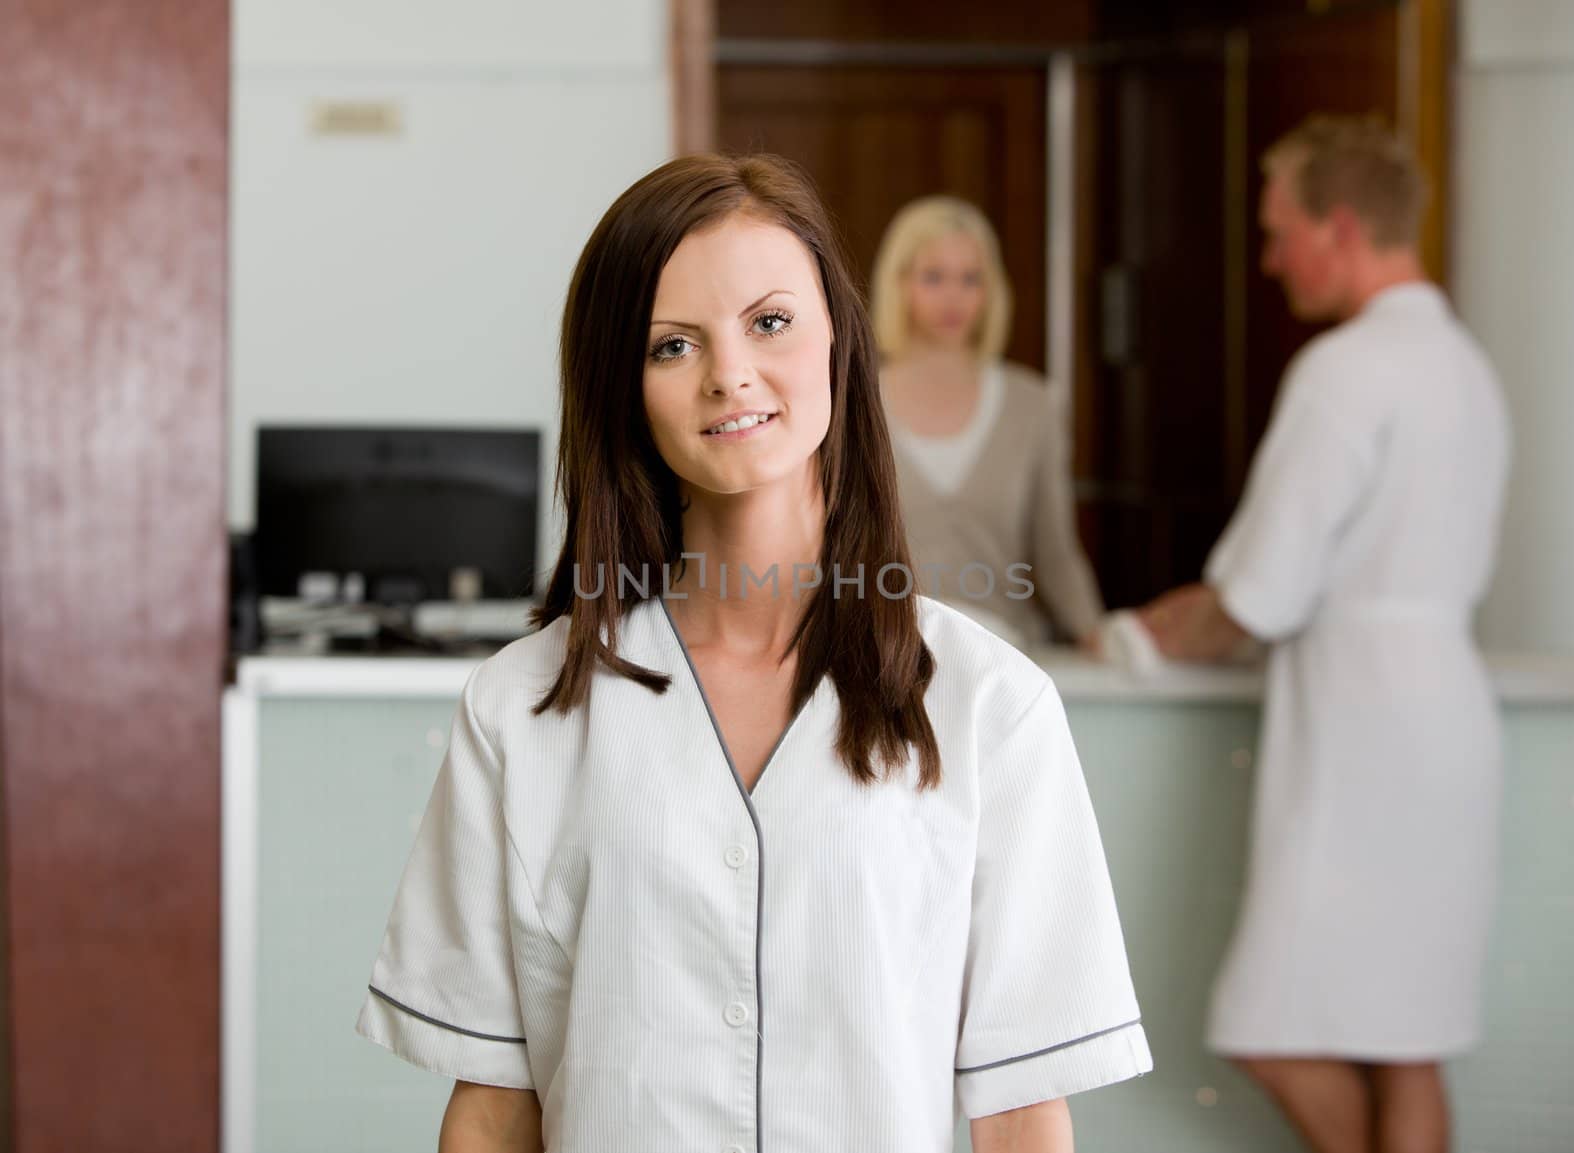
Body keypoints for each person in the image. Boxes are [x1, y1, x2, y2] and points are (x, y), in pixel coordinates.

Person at [354, 153, 1152, 1153]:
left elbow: (1024, 1116)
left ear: (837, 342)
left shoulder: (991, 705)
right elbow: (491, 1109)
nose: (730, 371)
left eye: (768, 322)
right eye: (671, 345)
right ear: (621, 387)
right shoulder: (521, 709)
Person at [1139, 117, 1510, 1153]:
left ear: (1338, 228)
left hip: (1366, 737)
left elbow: (1255, 594)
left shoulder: (1345, 371)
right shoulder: (1465, 368)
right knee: (1409, 1038)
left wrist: (1149, 632)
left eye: (1277, 231)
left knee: (1272, 1028)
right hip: (1447, 719)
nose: (1268, 260)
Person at [871, 196, 1104, 650]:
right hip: (884, 658)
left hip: (1005, 657)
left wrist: (1097, 637)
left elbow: (1055, 551)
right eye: (934, 277)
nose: (953, 297)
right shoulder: (853, 402)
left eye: (970, 279)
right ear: (899, 283)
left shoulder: (1032, 405)